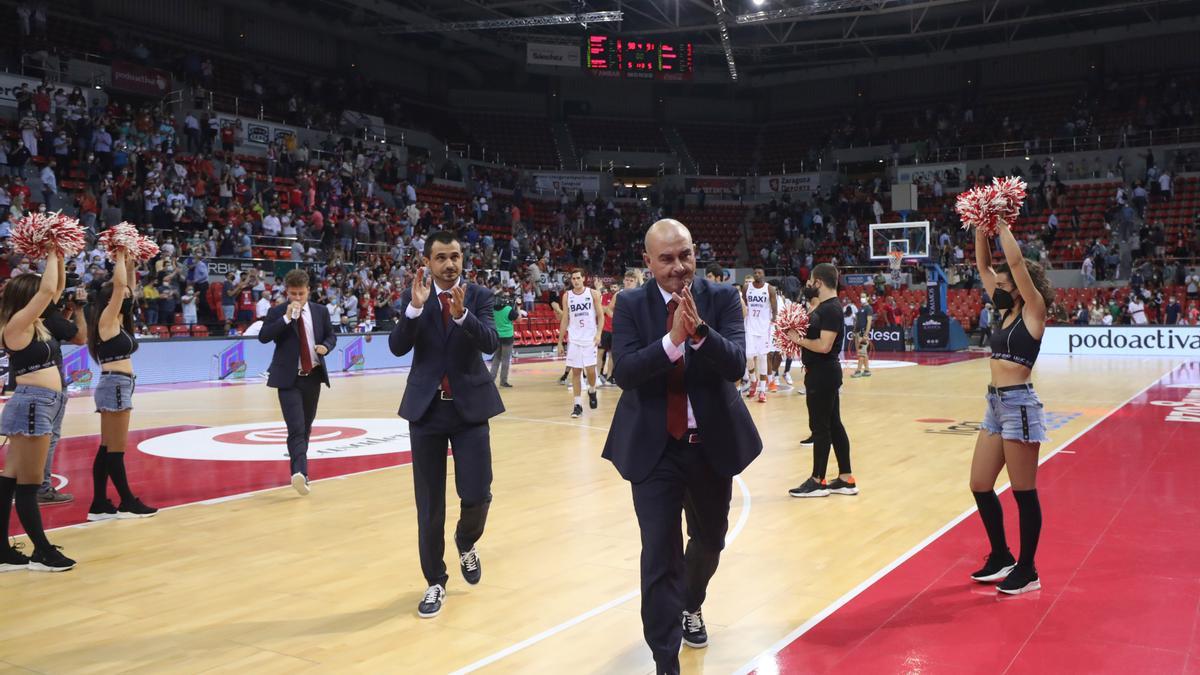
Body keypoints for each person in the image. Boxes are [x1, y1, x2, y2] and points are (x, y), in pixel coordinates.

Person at [603, 219, 761, 675]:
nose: (678, 267)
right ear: (648, 261)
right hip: (655, 451)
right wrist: (672, 342)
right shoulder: (630, 303)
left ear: (695, 253)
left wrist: (700, 335)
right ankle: (664, 659)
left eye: (685, 255)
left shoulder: (721, 297)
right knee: (659, 552)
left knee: (710, 538)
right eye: (667, 259)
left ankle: (691, 602)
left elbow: (735, 365)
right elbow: (626, 372)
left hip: (709, 445)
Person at [389, 230, 502, 619]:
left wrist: (462, 316)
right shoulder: (414, 297)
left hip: (469, 408)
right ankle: (435, 581)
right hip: (426, 411)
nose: (449, 264)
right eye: (441, 257)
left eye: (455, 256)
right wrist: (415, 311)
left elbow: (490, 342)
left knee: (477, 493)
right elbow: (397, 346)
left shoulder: (479, 297)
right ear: (428, 262)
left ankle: (466, 540)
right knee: (429, 504)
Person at [968, 217, 1055, 595]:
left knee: (1023, 491)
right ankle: (1001, 554)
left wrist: (1001, 225)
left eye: (1004, 285)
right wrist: (978, 225)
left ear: (1020, 288)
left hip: (1020, 405)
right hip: (994, 404)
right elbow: (984, 267)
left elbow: (1015, 266)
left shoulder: (1034, 310)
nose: (997, 288)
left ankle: (1028, 568)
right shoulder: (1004, 311)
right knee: (980, 484)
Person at [0, 250, 76, 571]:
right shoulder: (17, 324)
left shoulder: (37, 323)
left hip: (40, 404)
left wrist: (57, 252)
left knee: (9, 479)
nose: (45, 302)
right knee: (29, 483)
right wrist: (48, 251)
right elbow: (47, 292)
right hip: (32, 404)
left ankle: (1, 550)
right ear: (27, 299)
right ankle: (42, 552)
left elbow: (53, 290)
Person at [86, 250, 157, 520]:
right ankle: (127, 501)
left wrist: (129, 261)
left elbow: (127, 287)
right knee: (116, 448)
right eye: (122, 298)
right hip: (115, 385)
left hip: (118, 384)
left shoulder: (117, 323)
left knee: (107, 447)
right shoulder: (106, 319)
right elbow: (119, 288)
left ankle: (99, 503)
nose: (128, 299)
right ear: (110, 301)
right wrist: (117, 254)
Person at [257, 268, 337, 495]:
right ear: (287, 292)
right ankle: (299, 472)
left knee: (306, 428)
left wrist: (326, 347)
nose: (297, 298)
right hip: (288, 379)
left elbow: (331, 335)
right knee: (295, 428)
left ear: (308, 291)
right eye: (293, 294)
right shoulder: (277, 312)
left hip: (312, 377)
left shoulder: (320, 312)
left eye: (301, 294)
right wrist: (286, 318)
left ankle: (303, 474)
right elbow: (264, 337)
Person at [787, 263, 855, 498]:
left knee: (820, 428)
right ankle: (846, 478)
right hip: (823, 372)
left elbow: (825, 346)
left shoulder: (831, 309)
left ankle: (818, 480)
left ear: (819, 283)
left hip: (823, 372)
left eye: (810, 282)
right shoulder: (827, 308)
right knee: (834, 424)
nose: (807, 286)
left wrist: (798, 339)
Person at [555, 270, 603, 418]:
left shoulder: (593, 294)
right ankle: (577, 405)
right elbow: (565, 319)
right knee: (575, 372)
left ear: (583, 279)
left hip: (589, 339)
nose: (575, 281)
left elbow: (601, 316)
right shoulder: (567, 296)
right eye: (573, 278)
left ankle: (592, 389)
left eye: (578, 278)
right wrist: (560, 342)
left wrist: (598, 333)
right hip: (574, 339)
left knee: (590, 371)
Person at [742, 267, 776, 403]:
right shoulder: (746, 287)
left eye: (759, 272)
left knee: (762, 357)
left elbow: (774, 307)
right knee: (748, 355)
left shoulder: (769, 289)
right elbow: (743, 303)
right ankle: (753, 381)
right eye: (755, 272)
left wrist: (774, 319)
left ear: (764, 274)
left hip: (764, 328)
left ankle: (762, 390)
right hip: (749, 325)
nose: (757, 274)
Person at [488, 288, 521, 387]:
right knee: (506, 359)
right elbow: (519, 319)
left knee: (496, 359)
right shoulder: (508, 309)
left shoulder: (492, 309)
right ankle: (503, 381)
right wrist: (518, 307)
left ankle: (491, 380)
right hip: (507, 337)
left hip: (497, 336)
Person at [597, 279, 617, 386]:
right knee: (600, 353)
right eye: (612, 287)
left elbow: (606, 309)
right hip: (605, 329)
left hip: (615, 330)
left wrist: (607, 309)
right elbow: (602, 309)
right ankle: (597, 376)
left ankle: (609, 377)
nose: (613, 289)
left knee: (612, 355)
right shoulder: (605, 296)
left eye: (615, 287)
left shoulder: (620, 297)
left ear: (618, 287)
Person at [852, 293, 874, 378]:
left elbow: (869, 322)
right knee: (862, 352)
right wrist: (854, 332)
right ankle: (867, 370)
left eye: (864, 297)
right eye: (861, 297)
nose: (862, 298)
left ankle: (858, 371)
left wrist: (866, 334)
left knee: (861, 352)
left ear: (868, 298)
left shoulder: (869, 308)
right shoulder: (860, 308)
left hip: (863, 333)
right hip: (857, 332)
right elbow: (857, 321)